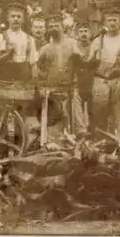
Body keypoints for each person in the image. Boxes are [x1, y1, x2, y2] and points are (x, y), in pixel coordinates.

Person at [37, 13, 86, 142]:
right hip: (52, 90)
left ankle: (78, 139)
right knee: (57, 118)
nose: (54, 28)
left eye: (56, 25)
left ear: (62, 27)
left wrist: (79, 56)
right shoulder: (45, 49)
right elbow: (38, 69)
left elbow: (83, 63)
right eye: (51, 26)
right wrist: (42, 86)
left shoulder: (72, 44)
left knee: (74, 117)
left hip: (70, 87)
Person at [88, 7, 120, 136]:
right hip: (100, 81)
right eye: (109, 20)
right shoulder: (97, 41)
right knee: (99, 113)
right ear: (105, 23)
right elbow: (90, 64)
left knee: (119, 114)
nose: (112, 23)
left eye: (115, 20)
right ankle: (100, 143)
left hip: (119, 81)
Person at [0, 2, 38, 82]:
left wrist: (34, 81)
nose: (16, 19)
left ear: (23, 19)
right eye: (13, 16)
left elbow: (33, 64)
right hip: (5, 77)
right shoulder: (0, 37)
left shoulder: (29, 39)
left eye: (19, 17)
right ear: (8, 18)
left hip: (23, 78)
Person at [74, 22, 97, 137]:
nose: (83, 34)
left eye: (86, 31)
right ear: (77, 34)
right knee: (76, 108)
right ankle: (80, 132)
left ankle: (94, 132)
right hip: (78, 82)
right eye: (81, 32)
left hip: (92, 82)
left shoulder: (95, 47)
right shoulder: (74, 48)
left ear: (90, 33)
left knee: (93, 110)